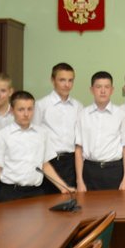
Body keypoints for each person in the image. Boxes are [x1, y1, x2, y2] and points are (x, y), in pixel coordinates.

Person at [0, 91, 74, 207]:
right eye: (21, 110)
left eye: (30, 109)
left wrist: (63, 187)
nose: (26, 114)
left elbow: (45, 165)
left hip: (36, 192)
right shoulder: (3, 135)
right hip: (10, 193)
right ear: (12, 111)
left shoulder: (42, 133)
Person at [75, 71, 125, 191]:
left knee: (116, 203)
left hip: (114, 170)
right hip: (90, 170)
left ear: (112, 90)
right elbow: (78, 149)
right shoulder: (83, 114)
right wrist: (79, 180)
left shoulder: (122, 114)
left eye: (107, 87)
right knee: (89, 203)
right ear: (91, 90)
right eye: (98, 87)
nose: (103, 91)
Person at [33, 62, 84, 193]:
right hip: (49, 161)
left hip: (71, 162)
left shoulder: (78, 106)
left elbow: (80, 138)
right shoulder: (41, 105)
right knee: (48, 201)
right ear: (53, 80)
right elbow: (34, 137)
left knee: (72, 199)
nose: (67, 84)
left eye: (70, 80)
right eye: (62, 80)